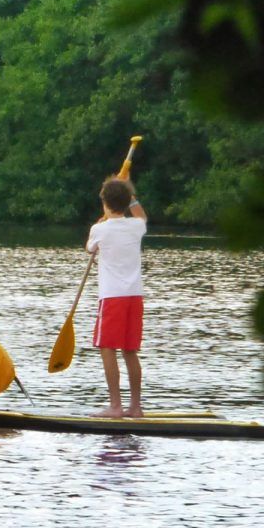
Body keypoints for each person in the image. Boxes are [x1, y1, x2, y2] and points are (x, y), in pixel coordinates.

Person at [86, 178, 147, 417]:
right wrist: (131, 196)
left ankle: (115, 406)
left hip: (112, 298)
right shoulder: (136, 226)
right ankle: (135, 406)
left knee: (107, 347)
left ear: (105, 203)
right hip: (134, 297)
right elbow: (141, 215)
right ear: (128, 201)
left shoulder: (99, 229)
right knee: (129, 350)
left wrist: (101, 224)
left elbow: (89, 248)